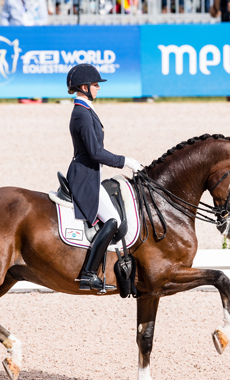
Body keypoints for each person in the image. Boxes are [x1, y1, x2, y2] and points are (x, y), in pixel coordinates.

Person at [65, 64, 143, 292]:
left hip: (89, 173)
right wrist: (125, 160)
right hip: (84, 177)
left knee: (114, 219)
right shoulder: (81, 113)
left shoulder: (85, 110)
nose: (98, 87)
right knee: (113, 221)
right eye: (95, 84)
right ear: (84, 87)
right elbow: (95, 152)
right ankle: (88, 274)